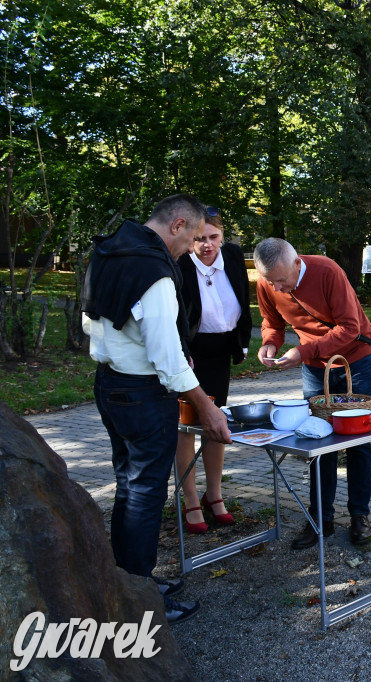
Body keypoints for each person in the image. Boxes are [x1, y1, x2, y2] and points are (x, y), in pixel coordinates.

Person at [82, 194, 232, 625]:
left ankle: (127, 580)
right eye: (190, 239)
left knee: (129, 486)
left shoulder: (110, 251)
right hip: (142, 395)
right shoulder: (154, 273)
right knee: (145, 492)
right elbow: (166, 357)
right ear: (177, 224)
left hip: (108, 384)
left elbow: (90, 318)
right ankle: (142, 598)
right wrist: (205, 406)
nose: (189, 249)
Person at [253, 238, 371, 549]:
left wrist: (303, 350)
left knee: (356, 441)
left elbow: (350, 327)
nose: (278, 288)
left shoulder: (328, 271)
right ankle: (320, 519)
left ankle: (359, 515)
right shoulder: (268, 283)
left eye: (282, 280)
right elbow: (272, 322)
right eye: (271, 281)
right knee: (318, 440)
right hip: (313, 366)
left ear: (298, 263)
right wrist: (270, 342)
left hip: (356, 360)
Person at [174, 208, 253, 533]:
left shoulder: (233, 255)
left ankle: (215, 494)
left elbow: (244, 297)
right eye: (200, 239)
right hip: (189, 354)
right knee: (185, 428)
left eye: (213, 237)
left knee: (216, 422)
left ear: (222, 235)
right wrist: (180, 353)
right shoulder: (178, 263)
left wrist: (244, 342)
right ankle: (190, 498)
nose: (207, 245)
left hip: (220, 353)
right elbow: (174, 313)